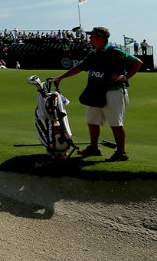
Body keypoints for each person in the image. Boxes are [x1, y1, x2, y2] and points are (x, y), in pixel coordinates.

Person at [54, 27, 142, 162]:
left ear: (100, 37)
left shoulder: (114, 52)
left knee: (115, 124)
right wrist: (61, 77)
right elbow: (79, 68)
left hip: (114, 91)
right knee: (91, 120)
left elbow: (137, 62)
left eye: (92, 36)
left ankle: (121, 153)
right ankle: (94, 148)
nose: (89, 38)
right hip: (96, 91)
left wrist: (125, 77)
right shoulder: (93, 53)